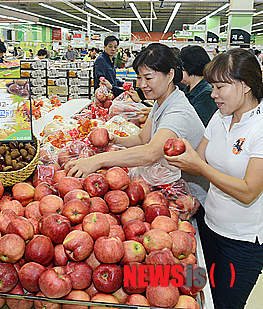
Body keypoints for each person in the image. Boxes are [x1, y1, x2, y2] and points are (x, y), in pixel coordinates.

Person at [165, 48, 263, 309]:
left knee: (224, 304)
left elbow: (248, 191)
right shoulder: (220, 118)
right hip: (207, 228)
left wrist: (199, 165)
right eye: (212, 86)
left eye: (220, 87)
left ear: (245, 85)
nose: (213, 94)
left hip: (241, 243)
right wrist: (182, 152)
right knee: (199, 294)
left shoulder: (260, 128)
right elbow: (198, 162)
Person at [67, 43, 205, 179]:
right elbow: (142, 139)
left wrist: (98, 160)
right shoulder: (162, 102)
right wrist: (116, 140)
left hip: (186, 194)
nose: (142, 85)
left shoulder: (178, 112)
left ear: (170, 75)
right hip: (167, 184)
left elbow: (151, 153)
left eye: (148, 78)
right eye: (139, 77)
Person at [177, 45, 217, 127]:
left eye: (181, 69)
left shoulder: (206, 94)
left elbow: (195, 125)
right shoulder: (188, 90)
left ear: (188, 67)